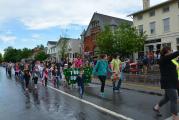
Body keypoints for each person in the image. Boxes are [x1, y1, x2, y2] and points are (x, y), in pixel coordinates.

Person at [153, 46, 179, 120]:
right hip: (168, 82)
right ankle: (175, 116)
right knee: (174, 99)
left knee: (167, 98)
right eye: (170, 50)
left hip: (172, 81)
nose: (171, 51)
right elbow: (175, 54)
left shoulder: (168, 60)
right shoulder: (164, 58)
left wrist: (175, 68)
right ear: (167, 52)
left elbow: (169, 68)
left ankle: (156, 107)